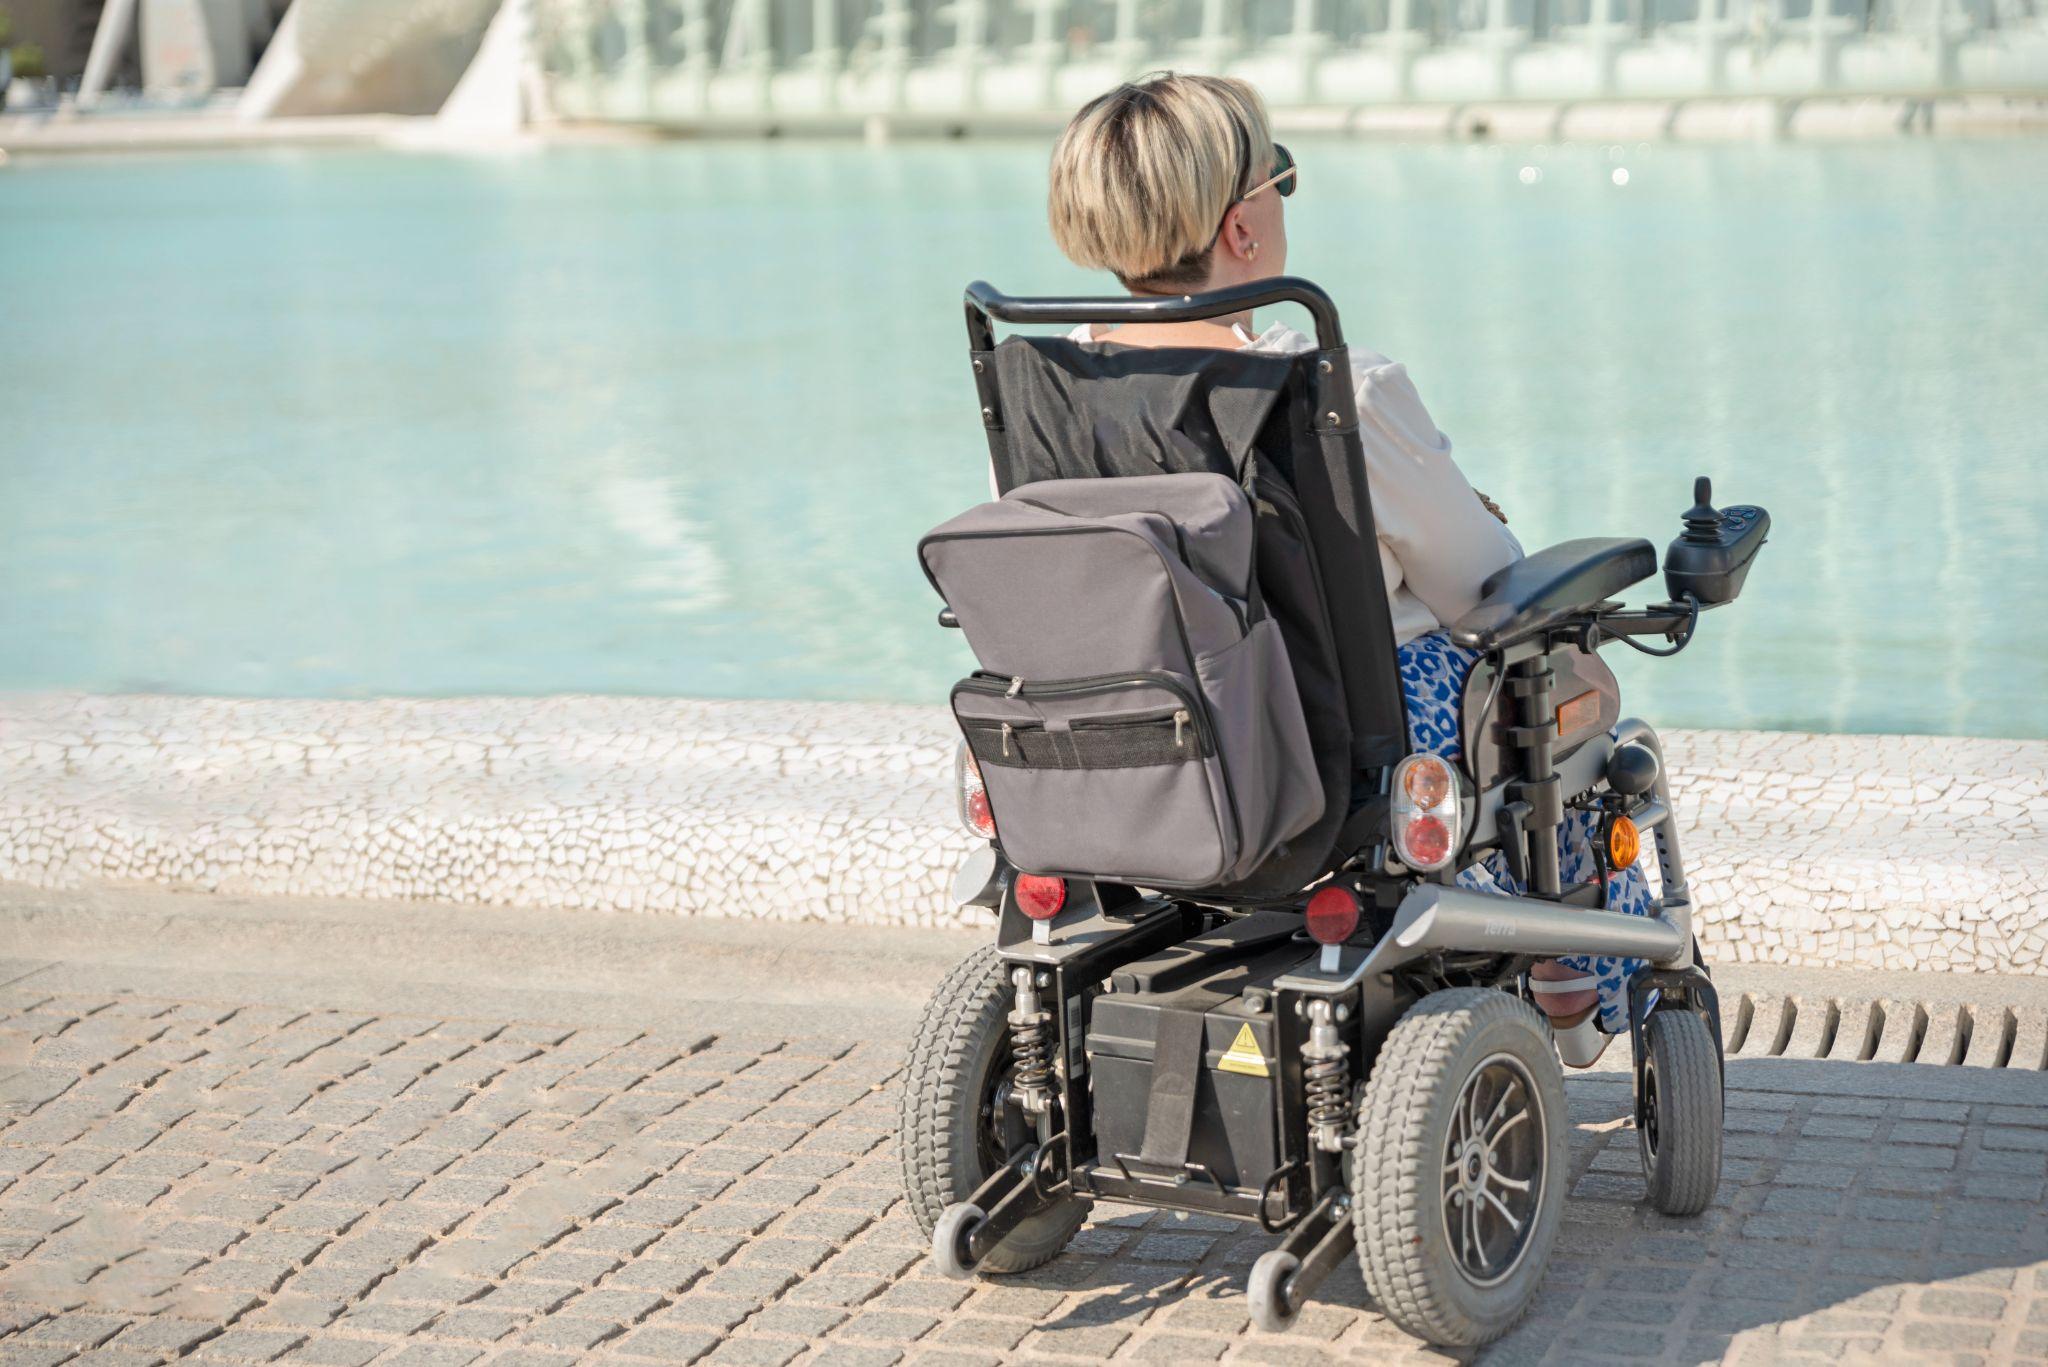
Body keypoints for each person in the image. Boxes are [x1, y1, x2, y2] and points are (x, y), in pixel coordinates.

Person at [1044, 71, 1652, 1063]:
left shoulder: (1050, 386)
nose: (1282, 195)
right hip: (1337, 755)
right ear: (1240, 229)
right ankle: (1568, 977)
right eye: (1276, 175)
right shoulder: (1335, 390)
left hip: (1144, 737)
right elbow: (1479, 586)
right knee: (1573, 678)